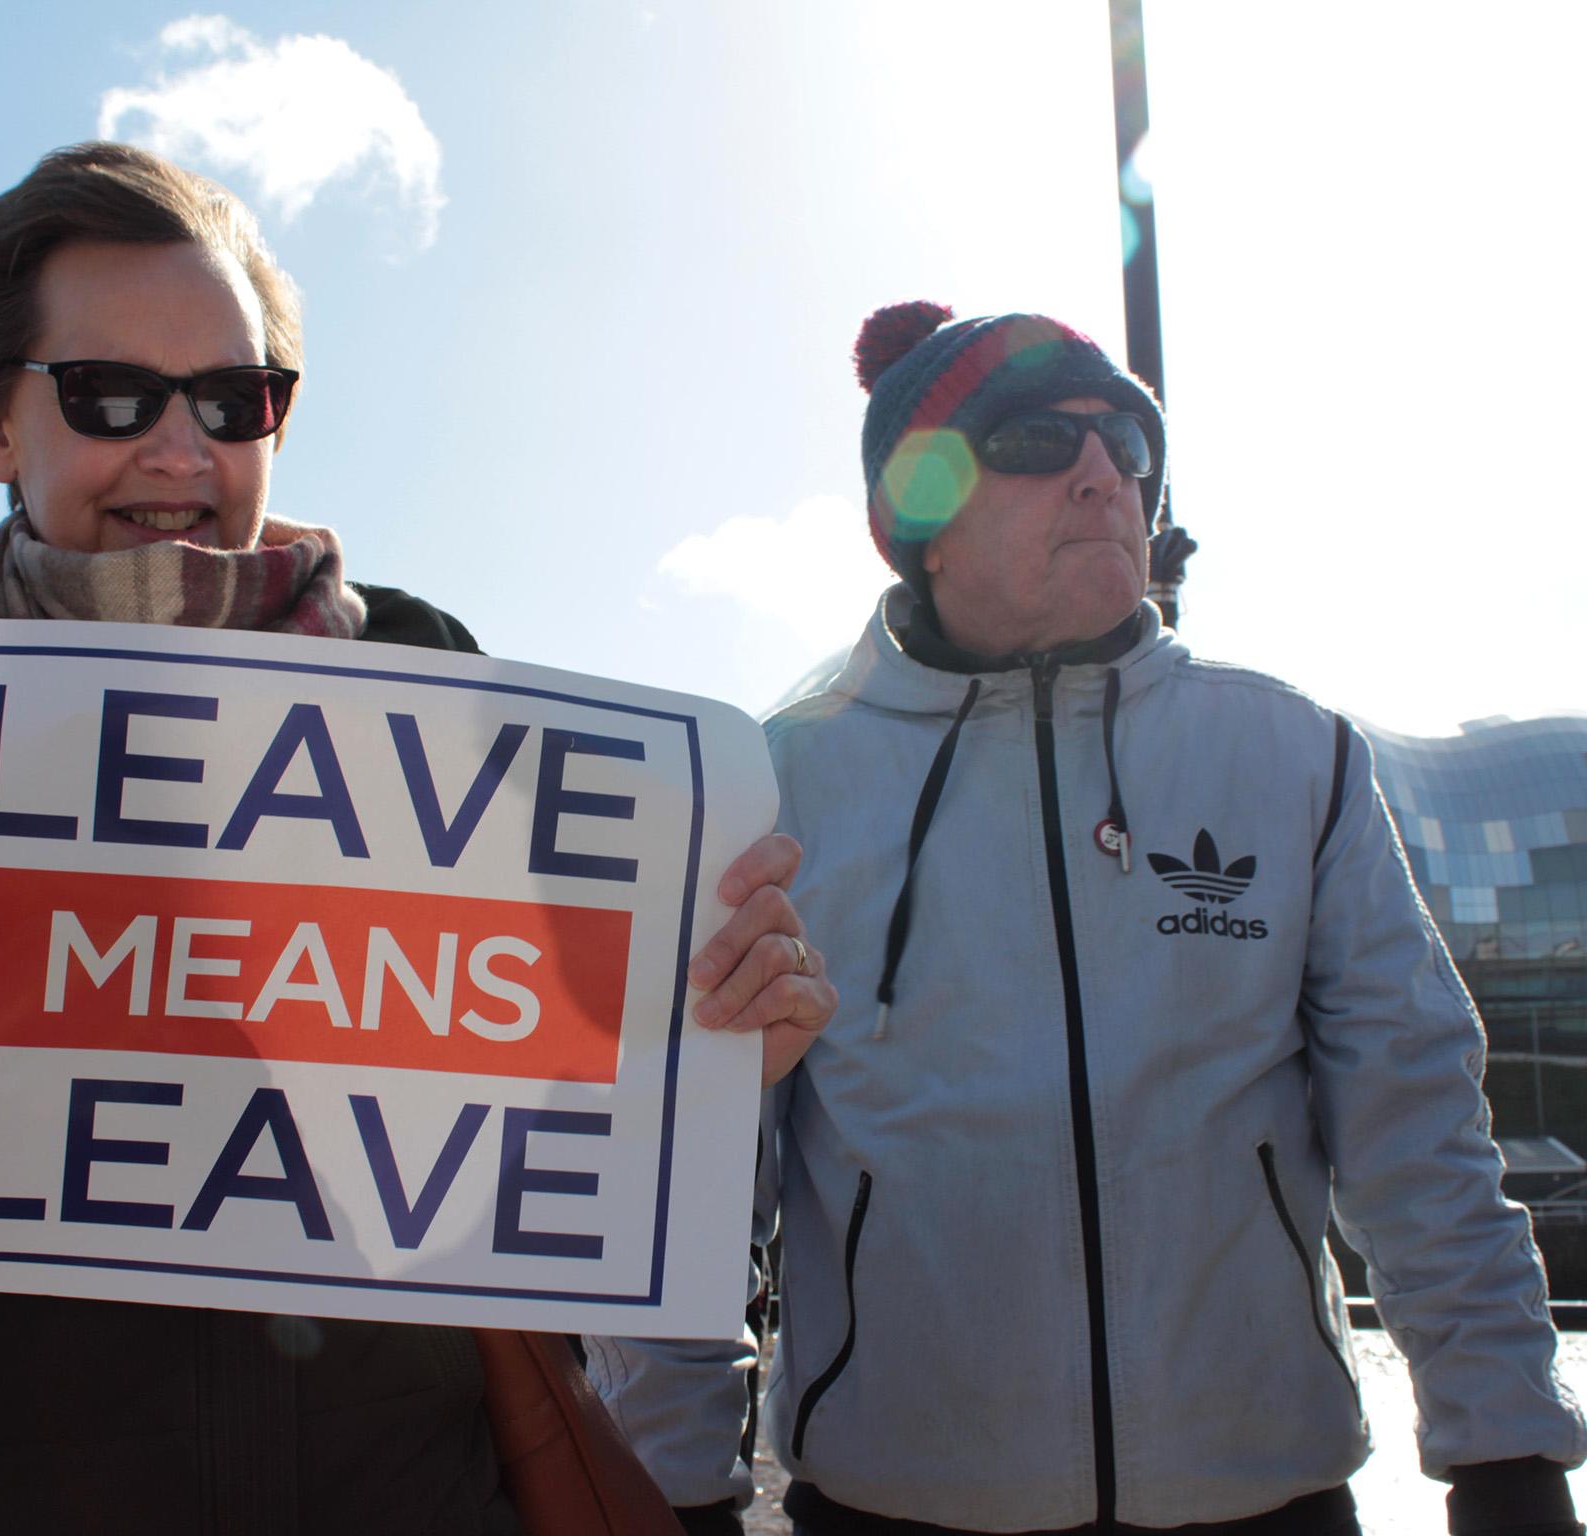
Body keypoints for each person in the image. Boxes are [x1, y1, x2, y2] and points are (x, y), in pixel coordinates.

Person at [0, 142, 836, 1536]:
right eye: (110, 394)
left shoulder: (450, 710)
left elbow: (536, 1187)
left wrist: (696, 1067)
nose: (181, 450)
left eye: (234, 399)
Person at [588, 301, 1587, 1535]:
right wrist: (670, 1491)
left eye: (1125, 442)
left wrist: (1509, 1461)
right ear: (919, 518)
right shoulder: (773, 789)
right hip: (893, 1504)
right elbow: (689, 1175)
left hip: (1263, 1494)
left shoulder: (1288, 757)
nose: (1101, 473)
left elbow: (1416, 1124)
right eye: (1035, 442)